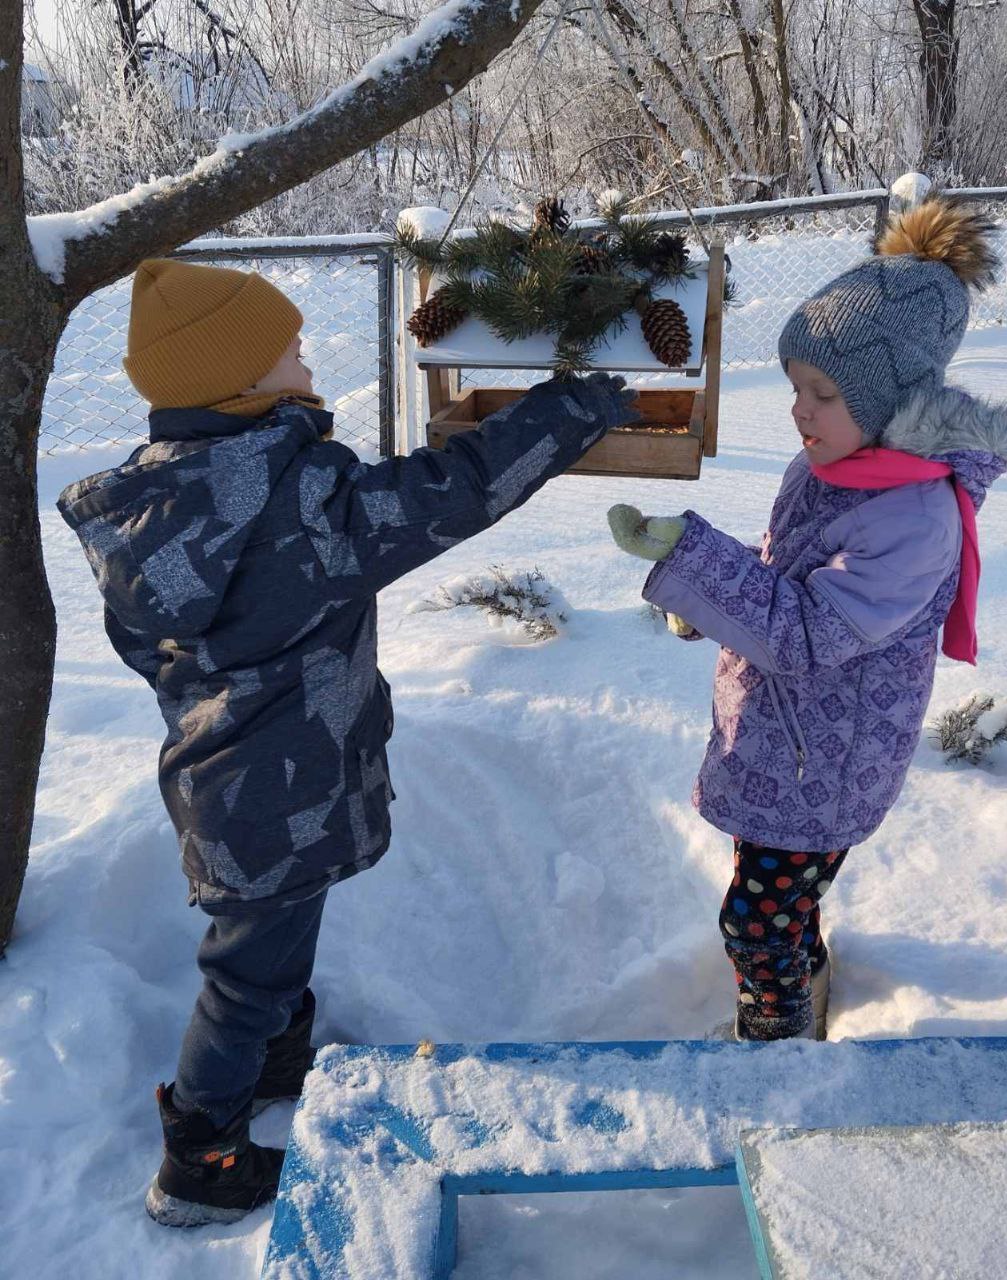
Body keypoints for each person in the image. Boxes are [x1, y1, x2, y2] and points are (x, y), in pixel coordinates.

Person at [57, 258, 638, 1227]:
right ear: (240, 383)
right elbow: (456, 490)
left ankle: (276, 1065)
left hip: (220, 787)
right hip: (286, 795)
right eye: (286, 347)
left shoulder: (156, 514)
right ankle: (199, 1153)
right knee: (245, 977)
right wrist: (573, 410)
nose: (304, 353)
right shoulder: (301, 508)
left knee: (268, 948)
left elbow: (149, 646)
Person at [608, 198, 1007, 1044]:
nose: (799, 410)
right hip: (789, 738)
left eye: (824, 393)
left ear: (891, 403)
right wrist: (708, 606)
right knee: (778, 898)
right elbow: (782, 584)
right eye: (795, 388)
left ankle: (774, 1038)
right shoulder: (834, 465)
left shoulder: (914, 517)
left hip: (824, 758)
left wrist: (696, 568)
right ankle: (803, 976)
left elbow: (805, 633)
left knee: (752, 922)